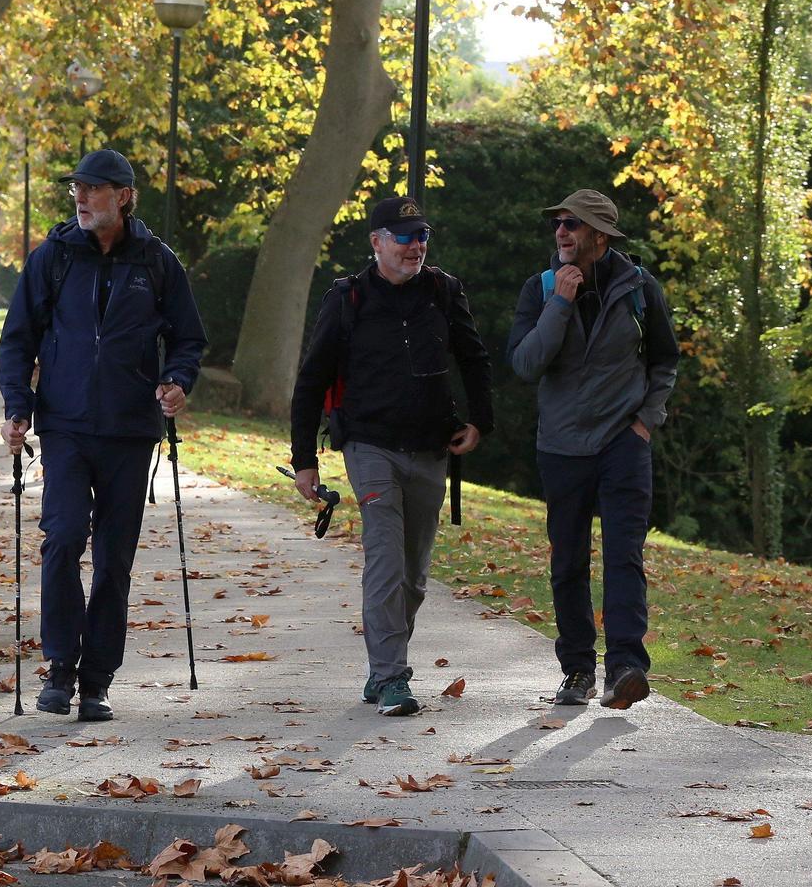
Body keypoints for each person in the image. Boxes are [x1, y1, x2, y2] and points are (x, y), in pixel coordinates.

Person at [0, 149, 207, 722]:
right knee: (63, 538)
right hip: (64, 427)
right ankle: (60, 669)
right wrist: (19, 405)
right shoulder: (53, 259)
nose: (83, 199)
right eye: (77, 191)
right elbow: (18, 339)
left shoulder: (157, 262)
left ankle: (98, 681)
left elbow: (189, 338)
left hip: (130, 432)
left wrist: (176, 380)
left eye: (94, 190)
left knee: (115, 559)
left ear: (124, 196)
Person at [288, 196, 492, 717]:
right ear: (377, 242)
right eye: (403, 236)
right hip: (369, 446)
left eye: (422, 234)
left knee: (414, 573)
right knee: (385, 558)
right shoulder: (347, 298)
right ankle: (391, 675)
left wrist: (480, 422)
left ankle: (383, 666)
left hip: (430, 448)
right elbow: (311, 379)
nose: (415, 245)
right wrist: (304, 459)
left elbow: (473, 357)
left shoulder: (444, 292)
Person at [507, 189, 679, 711]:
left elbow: (665, 361)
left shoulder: (639, 287)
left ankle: (626, 667)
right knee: (569, 564)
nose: (561, 232)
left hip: (622, 443)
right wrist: (560, 301)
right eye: (558, 223)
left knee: (624, 556)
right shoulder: (539, 290)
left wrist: (645, 423)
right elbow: (524, 364)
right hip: (561, 447)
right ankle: (578, 670)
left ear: (600, 236)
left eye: (572, 225)